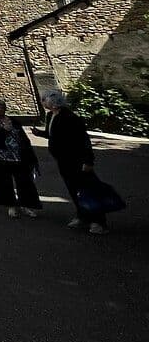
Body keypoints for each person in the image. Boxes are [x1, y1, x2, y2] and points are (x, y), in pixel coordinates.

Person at [33, 90, 108, 235]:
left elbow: (83, 140)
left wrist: (88, 161)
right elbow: (51, 134)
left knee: (87, 190)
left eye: (44, 99)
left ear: (54, 102)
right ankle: (83, 216)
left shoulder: (70, 117)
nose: (42, 102)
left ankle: (98, 222)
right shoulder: (50, 115)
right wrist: (39, 133)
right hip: (63, 160)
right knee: (73, 190)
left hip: (77, 159)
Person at [0, 98, 40, 218]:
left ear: (5, 108)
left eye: (0, 107)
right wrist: (4, 130)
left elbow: (23, 138)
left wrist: (30, 154)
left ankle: (26, 205)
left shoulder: (13, 120)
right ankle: (11, 206)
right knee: (3, 182)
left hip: (17, 155)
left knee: (24, 181)